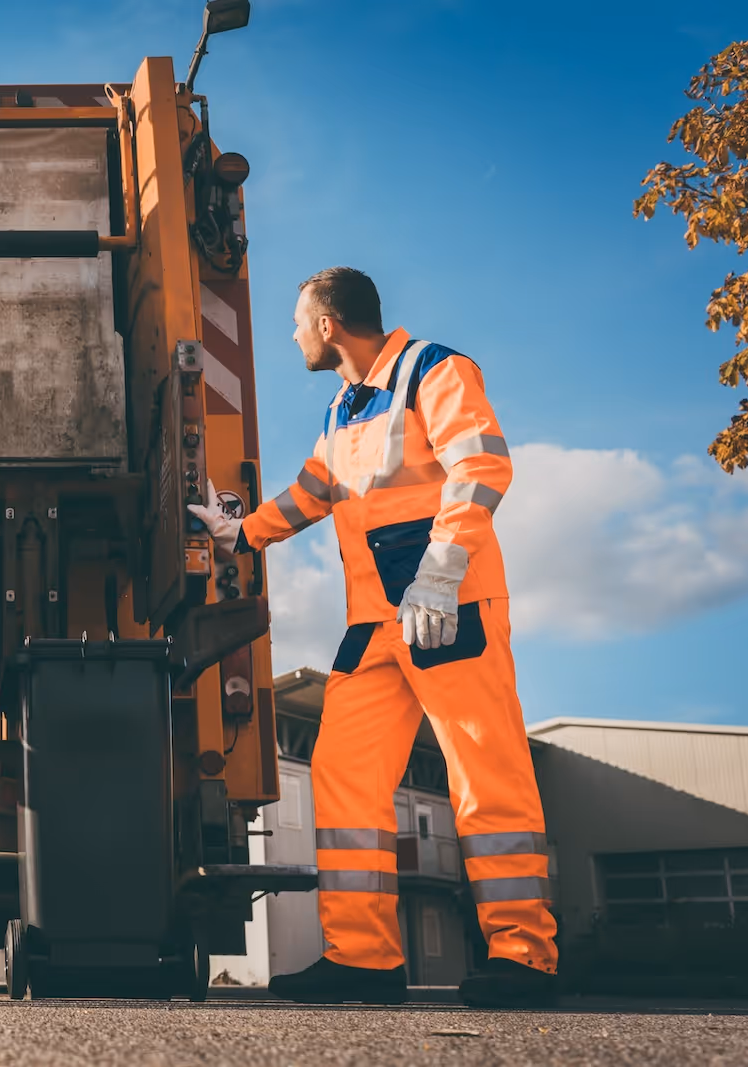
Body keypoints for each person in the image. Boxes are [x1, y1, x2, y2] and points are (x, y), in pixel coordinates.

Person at [189, 268, 557, 1009]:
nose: (294, 334)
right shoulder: (341, 412)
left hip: (448, 610)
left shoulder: (433, 370)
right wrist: (241, 533)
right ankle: (362, 957)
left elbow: (481, 464)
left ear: (328, 326)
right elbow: (313, 492)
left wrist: (441, 573)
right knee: (343, 772)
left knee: (485, 775)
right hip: (377, 626)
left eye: (299, 322)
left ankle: (524, 953)